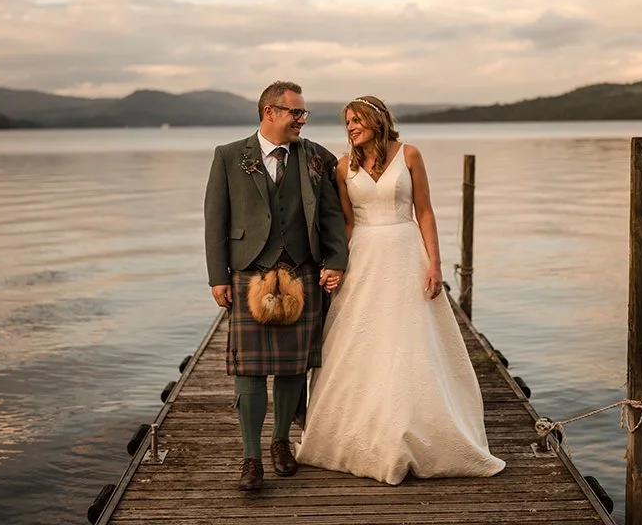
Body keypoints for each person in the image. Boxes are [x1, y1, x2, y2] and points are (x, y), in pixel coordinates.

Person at [295, 95, 505, 484]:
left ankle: (417, 428)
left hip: (407, 253)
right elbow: (346, 225)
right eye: (347, 122)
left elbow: (424, 211)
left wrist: (435, 264)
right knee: (361, 342)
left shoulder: (410, 155)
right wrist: (336, 265)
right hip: (364, 259)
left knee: (411, 340)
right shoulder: (343, 167)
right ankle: (358, 431)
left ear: (377, 120)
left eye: (357, 120)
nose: (352, 127)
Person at [203, 80, 349, 492]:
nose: (302, 119)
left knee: (292, 367)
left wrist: (336, 260)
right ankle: (250, 457)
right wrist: (217, 276)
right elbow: (215, 219)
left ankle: (281, 442)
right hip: (250, 271)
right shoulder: (230, 156)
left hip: (302, 271)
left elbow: (332, 218)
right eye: (295, 113)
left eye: (303, 113)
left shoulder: (316, 157)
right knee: (248, 371)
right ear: (269, 112)